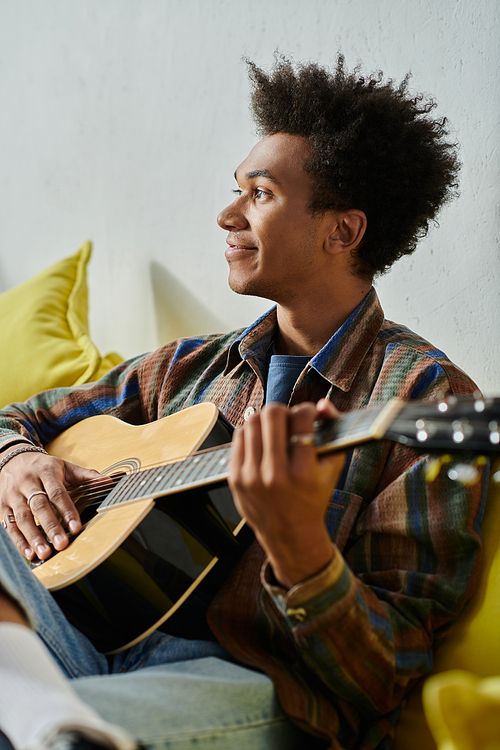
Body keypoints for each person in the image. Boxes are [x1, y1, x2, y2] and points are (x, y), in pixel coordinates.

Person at [0, 55, 487, 750]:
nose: (226, 214)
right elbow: (14, 417)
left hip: (256, 686)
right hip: (86, 635)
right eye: (236, 190)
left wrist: (299, 547)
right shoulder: (186, 368)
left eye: (258, 194)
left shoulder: (422, 398)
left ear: (341, 232)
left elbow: (385, 677)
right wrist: (17, 462)